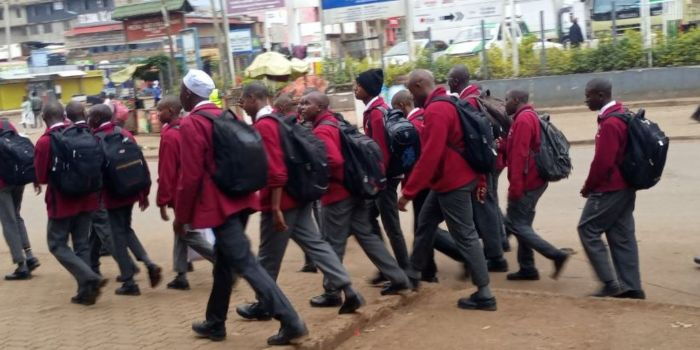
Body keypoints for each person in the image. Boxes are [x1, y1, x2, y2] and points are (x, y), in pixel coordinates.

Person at [173, 69, 307, 345]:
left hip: (220, 206)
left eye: (181, 90)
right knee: (224, 263)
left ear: (188, 93)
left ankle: (291, 320)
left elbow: (190, 177)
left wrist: (181, 217)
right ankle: (214, 322)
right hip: (242, 198)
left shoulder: (191, 124)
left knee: (246, 263)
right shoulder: (227, 115)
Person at [235, 83, 364, 321]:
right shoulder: (281, 120)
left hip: (281, 200)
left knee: (267, 258)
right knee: (316, 245)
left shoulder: (265, 126)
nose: (242, 105)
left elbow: (276, 171)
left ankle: (265, 304)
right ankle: (348, 288)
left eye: (244, 100)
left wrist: (274, 208)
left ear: (254, 98)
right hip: (299, 195)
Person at [398, 69, 496, 311]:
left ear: (420, 85)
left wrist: (408, 192)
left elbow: (430, 155)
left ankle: (484, 293)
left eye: (412, 91)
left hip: (454, 182)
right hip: (451, 179)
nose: (413, 97)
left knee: (465, 235)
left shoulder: (437, 109)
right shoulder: (448, 102)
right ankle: (413, 274)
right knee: (425, 223)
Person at [302, 91, 411, 297]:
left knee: (332, 243)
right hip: (356, 189)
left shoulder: (322, 130)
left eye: (306, 103)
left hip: (337, 194)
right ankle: (398, 277)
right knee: (366, 236)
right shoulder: (335, 123)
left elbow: (334, 160)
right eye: (300, 103)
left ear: (319, 107)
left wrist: (316, 172)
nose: (301, 107)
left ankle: (332, 291)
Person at [391, 90, 467, 282]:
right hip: (428, 182)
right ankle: (427, 270)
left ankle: (463, 256)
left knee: (425, 228)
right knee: (424, 227)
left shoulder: (413, 124)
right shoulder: (422, 119)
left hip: (423, 183)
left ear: (401, 106)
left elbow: (419, 160)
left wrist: (409, 189)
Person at [34, 101, 105, 305]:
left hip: (62, 201)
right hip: (87, 198)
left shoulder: (46, 141)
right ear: (64, 115)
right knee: (81, 244)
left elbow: (41, 176)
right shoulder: (81, 133)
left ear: (44, 118)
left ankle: (89, 277)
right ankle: (86, 292)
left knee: (57, 244)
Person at [578, 78, 643, 299]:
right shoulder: (620, 114)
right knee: (621, 234)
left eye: (588, 95)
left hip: (611, 187)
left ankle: (610, 283)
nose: (585, 100)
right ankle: (632, 287)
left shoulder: (611, 123)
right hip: (625, 185)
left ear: (601, 96)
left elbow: (603, 163)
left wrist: (588, 187)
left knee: (587, 229)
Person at [89, 104, 162, 296]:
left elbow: (95, 173)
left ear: (96, 119)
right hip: (131, 190)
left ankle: (129, 281)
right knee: (126, 229)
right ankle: (148, 262)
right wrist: (144, 193)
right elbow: (141, 163)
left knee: (117, 236)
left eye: (90, 117)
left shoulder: (95, 139)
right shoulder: (124, 134)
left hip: (111, 194)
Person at [503, 90, 570, 281]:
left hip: (527, 182)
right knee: (523, 224)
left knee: (515, 224)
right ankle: (527, 268)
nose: (505, 103)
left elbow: (519, 155)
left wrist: (515, 187)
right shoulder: (529, 116)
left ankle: (556, 255)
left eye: (507, 100)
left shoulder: (523, 120)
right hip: (535, 180)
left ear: (516, 100)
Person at [447, 64, 509, 272]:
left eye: (449, 79)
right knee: (489, 202)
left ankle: (495, 256)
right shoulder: (477, 94)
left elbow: (473, 137)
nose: (447, 83)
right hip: (491, 157)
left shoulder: (469, 101)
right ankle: (500, 242)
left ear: (455, 81)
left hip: (482, 161)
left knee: (484, 205)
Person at [355, 68, 410, 284]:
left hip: (383, 179)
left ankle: (403, 270)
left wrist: (378, 180)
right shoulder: (374, 110)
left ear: (367, 89)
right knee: (368, 218)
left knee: (391, 224)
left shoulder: (377, 113)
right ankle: (386, 265)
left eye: (358, 85)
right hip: (380, 177)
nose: (355, 89)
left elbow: (381, 152)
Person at [155, 96, 215, 290]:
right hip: (196, 188)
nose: (157, 114)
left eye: (160, 110)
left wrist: (162, 200)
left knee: (187, 232)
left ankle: (226, 263)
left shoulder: (170, 136)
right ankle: (181, 274)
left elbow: (167, 171)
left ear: (171, 111)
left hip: (181, 192)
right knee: (180, 229)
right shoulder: (186, 129)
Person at [0, 121, 40, 280]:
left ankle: (21, 265)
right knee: (16, 216)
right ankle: (30, 255)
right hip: (18, 180)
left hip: (2, 185)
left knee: (8, 221)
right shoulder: (6, 123)